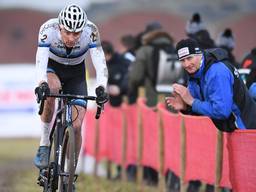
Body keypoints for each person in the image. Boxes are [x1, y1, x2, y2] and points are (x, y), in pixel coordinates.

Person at [33, 3, 109, 175]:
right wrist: (41, 83)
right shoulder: (48, 29)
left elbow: (100, 63)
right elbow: (41, 61)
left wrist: (101, 87)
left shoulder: (91, 31)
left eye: (76, 33)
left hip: (76, 74)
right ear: (60, 27)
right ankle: (44, 142)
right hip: (53, 68)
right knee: (52, 88)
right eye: (67, 32)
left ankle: (69, 174)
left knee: (76, 127)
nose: (72, 37)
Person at [166, 38, 256, 132]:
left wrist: (192, 102)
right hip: (234, 130)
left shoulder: (217, 72)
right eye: (182, 60)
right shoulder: (195, 73)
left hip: (247, 129)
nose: (187, 64)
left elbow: (221, 111)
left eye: (189, 58)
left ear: (199, 54)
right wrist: (186, 106)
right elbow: (203, 107)